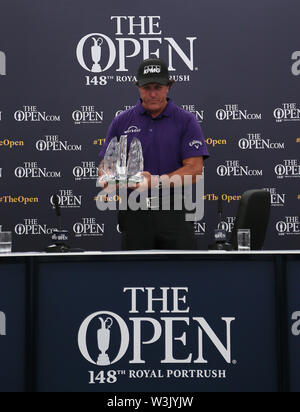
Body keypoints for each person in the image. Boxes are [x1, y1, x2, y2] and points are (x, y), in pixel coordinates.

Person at [98, 58, 209, 250]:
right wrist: (108, 175)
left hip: (174, 211)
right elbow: (105, 166)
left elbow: (195, 170)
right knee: (134, 276)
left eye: (158, 87)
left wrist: (154, 182)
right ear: (138, 87)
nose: (152, 93)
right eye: (146, 87)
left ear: (168, 86)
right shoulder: (121, 121)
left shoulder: (186, 120)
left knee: (183, 275)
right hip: (134, 211)